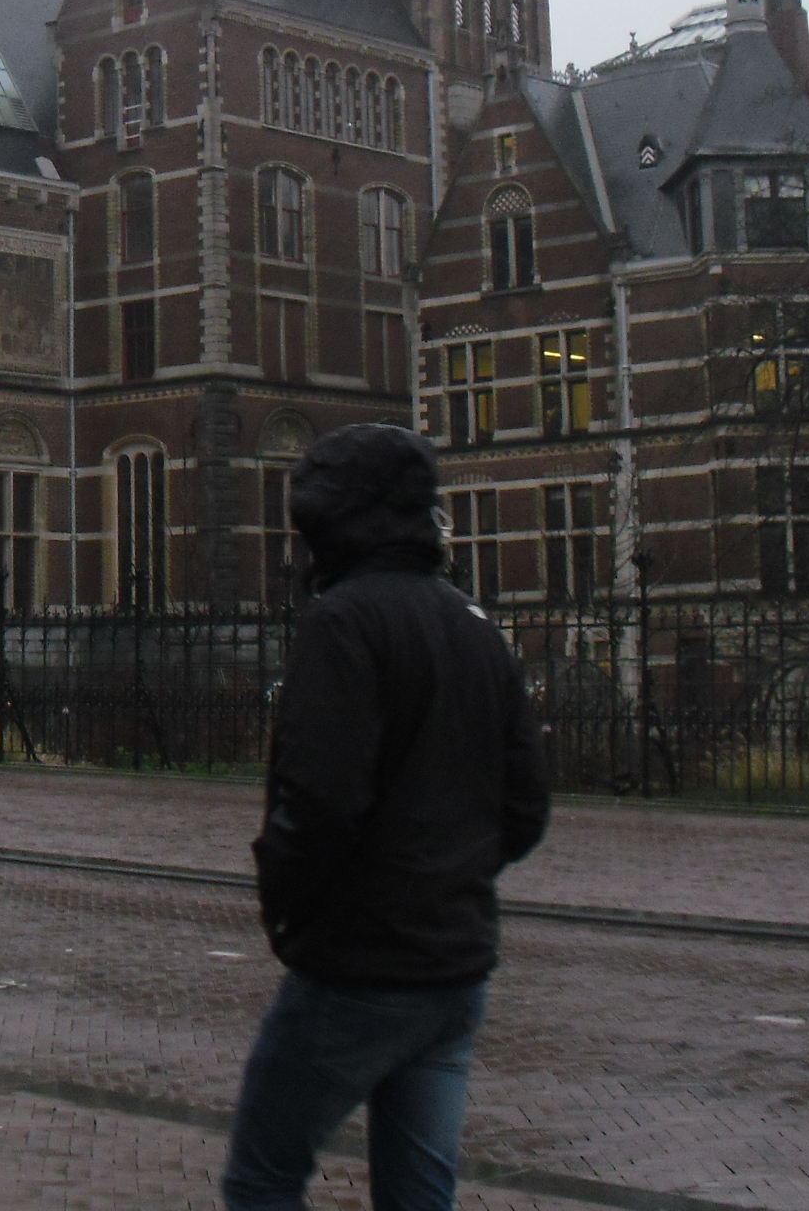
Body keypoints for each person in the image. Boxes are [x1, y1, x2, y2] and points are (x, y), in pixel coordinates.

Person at [221, 423, 551, 1211]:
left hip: (360, 965)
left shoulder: (342, 623)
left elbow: (318, 803)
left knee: (262, 1178)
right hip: (455, 967)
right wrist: (451, 876)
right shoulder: (473, 624)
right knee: (419, 1196)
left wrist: (287, 909)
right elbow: (526, 807)